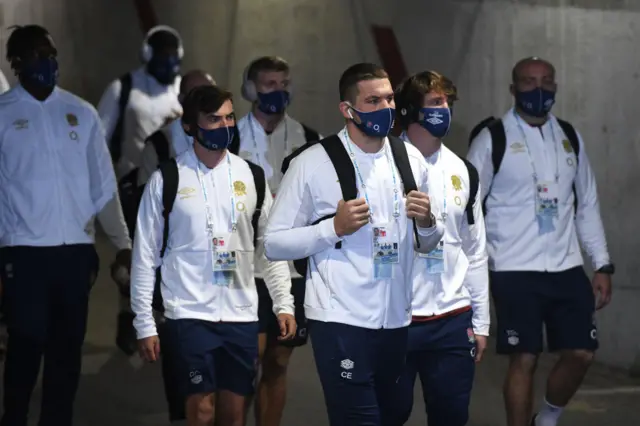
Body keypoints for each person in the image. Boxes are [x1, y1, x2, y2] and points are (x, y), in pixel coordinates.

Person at [264, 62, 445, 426]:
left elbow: (427, 243)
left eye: (389, 98)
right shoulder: (312, 162)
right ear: (348, 110)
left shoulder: (409, 159)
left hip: (396, 318)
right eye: (373, 100)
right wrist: (333, 228)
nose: (385, 108)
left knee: (394, 415)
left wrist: (427, 222)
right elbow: (274, 243)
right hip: (340, 320)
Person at [131, 85, 297, 426]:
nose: (224, 126)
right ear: (190, 126)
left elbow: (270, 246)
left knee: (233, 415)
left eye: (229, 117)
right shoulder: (167, 179)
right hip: (187, 314)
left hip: (241, 316)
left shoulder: (252, 176)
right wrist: (144, 321)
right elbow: (145, 255)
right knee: (200, 410)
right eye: (213, 119)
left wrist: (283, 304)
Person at [467, 57, 614, 426]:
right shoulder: (493, 137)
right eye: (530, 81)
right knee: (525, 357)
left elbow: (587, 203)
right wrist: (471, 270)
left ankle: (546, 418)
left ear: (556, 86)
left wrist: (602, 263)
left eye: (547, 81)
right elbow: (467, 207)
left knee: (581, 352)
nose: (539, 89)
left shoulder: (569, 136)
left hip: (565, 268)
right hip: (513, 269)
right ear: (513, 88)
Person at [0, 25, 131, 426]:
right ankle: (15, 416)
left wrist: (122, 243)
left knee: (66, 349)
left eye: (52, 53)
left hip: (75, 253)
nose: (49, 62)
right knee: (26, 342)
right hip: (23, 253)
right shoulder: (3, 115)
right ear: (17, 64)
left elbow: (103, 187)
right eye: (39, 55)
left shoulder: (82, 112)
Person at [393, 70, 489, 426]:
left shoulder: (463, 171)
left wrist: (481, 322)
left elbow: (475, 249)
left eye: (447, 102)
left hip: (451, 319)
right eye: (435, 103)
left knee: (451, 416)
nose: (445, 109)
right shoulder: (380, 165)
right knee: (390, 413)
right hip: (394, 318)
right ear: (410, 111)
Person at [235, 55, 321, 426]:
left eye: (283, 84)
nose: (278, 91)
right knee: (247, 361)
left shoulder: (310, 139)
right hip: (244, 268)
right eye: (269, 84)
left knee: (279, 361)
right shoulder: (230, 136)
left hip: (292, 270)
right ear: (250, 89)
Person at [97, 24, 183, 354]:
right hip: (133, 186)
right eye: (161, 57)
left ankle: (158, 315)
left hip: (173, 187)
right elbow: (100, 136)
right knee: (134, 255)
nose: (168, 64)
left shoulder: (183, 89)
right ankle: (127, 313)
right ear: (147, 55)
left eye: (172, 58)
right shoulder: (125, 87)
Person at [137, 69, 217, 187]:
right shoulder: (159, 146)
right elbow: (146, 198)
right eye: (197, 95)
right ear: (181, 99)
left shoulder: (229, 138)